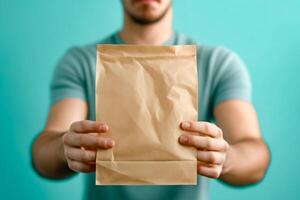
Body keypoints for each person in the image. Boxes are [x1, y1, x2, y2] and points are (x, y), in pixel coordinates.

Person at [31, 0, 270, 199]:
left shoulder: (217, 63)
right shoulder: (81, 62)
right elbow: (44, 154)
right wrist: (65, 149)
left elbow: (254, 156)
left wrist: (226, 158)